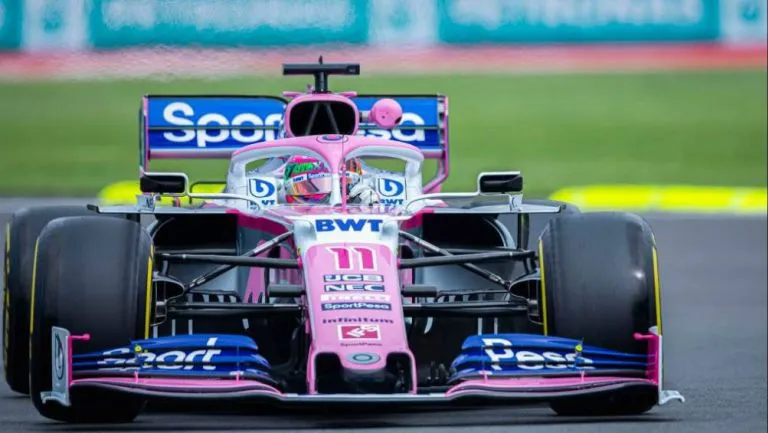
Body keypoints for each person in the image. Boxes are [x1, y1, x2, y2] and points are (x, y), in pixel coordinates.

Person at [281, 155, 380, 205]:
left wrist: (372, 210)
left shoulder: (361, 198)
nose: (330, 198)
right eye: (308, 187)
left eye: (340, 187)